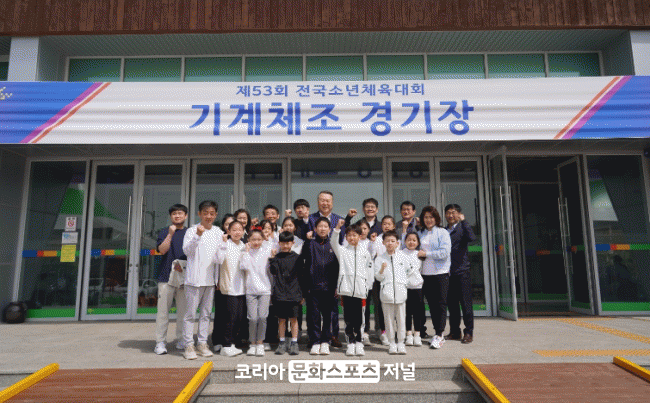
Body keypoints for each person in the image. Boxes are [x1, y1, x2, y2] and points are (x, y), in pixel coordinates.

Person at [181, 200, 223, 360]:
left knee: (206, 315)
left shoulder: (218, 232)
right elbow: (187, 251)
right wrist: (198, 236)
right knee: (190, 315)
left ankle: (202, 343)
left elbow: (219, 258)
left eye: (212, 213)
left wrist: (217, 280)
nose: (209, 216)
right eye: (205, 213)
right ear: (199, 214)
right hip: (194, 280)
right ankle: (188, 345)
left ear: (216, 215)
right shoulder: (192, 231)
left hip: (210, 281)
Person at [307, 191, 345, 348]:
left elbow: (342, 243)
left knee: (331, 311)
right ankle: (314, 338)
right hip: (314, 279)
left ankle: (332, 336)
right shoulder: (311, 220)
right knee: (313, 312)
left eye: (328, 200)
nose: (325, 203)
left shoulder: (338, 221)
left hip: (331, 277)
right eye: (322, 200)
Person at [331, 220, 374, 356]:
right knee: (348, 318)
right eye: (349, 235)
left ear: (360, 236)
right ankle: (350, 343)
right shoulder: (343, 251)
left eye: (354, 235)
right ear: (346, 237)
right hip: (346, 290)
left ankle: (359, 342)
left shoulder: (365, 253)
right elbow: (333, 242)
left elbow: (370, 271)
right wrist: (337, 229)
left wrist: (368, 287)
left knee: (360, 319)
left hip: (361, 291)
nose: (352, 238)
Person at [154, 204, 189, 355]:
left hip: (185, 277)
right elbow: (162, 250)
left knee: (183, 312)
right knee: (163, 312)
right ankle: (160, 342)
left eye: (180, 213)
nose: (177, 216)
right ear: (170, 216)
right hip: (166, 277)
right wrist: (170, 234)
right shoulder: (164, 231)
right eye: (174, 213)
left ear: (185, 216)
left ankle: (181, 339)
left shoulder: (189, 233)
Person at [302, 217, 339, 355]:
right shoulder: (310, 244)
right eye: (320, 226)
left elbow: (338, 267)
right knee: (314, 316)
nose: (322, 229)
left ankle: (325, 341)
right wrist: (307, 240)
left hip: (329, 287)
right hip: (313, 286)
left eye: (325, 226)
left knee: (328, 315)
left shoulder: (333, 245)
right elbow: (304, 260)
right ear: (315, 229)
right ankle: (315, 341)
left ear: (329, 229)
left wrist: (337, 286)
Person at [417, 206, 452, 350]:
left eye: (431, 217)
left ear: (436, 218)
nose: (428, 220)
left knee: (440, 304)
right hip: (424, 274)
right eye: (425, 217)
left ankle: (439, 334)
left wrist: (427, 254)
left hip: (440, 273)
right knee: (431, 305)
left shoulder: (443, 232)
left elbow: (445, 252)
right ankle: (435, 331)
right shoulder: (420, 233)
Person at [374, 231, 413, 355]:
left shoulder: (403, 257)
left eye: (392, 241)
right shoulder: (379, 258)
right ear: (383, 243)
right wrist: (382, 269)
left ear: (397, 243)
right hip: (387, 295)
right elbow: (378, 277)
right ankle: (392, 343)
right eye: (387, 241)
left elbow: (410, 271)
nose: (390, 243)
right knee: (389, 321)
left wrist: (404, 283)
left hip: (401, 294)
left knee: (401, 320)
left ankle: (401, 343)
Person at [444, 204, 477, 344]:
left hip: (462, 272)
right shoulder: (444, 230)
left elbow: (472, 238)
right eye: (448, 213)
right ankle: (455, 331)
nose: (451, 215)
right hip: (448, 273)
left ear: (459, 214)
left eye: (453, 212)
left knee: (465, 304)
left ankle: (468, 332)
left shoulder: (463, 228)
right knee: (452, 305)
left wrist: (464, 221)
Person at [271, 231, 305, 356]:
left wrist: (302, 295)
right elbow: (273, 271)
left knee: (294, 319)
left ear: (292, 243)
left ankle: (294, 343)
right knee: (281, 320)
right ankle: (282, 342)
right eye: (283, 243)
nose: (285, 245)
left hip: (294, 294)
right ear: (279, 243)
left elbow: (302, 277)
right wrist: (272, 258)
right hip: (280, 294)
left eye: (288, 243)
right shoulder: (277, 257)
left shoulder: (297, 258)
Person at [216, 220, 247, 357]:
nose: (237, 232)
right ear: (228, 231)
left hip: (242, 288)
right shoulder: (225, 244)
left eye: (239, 229)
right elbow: (218, 260)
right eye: (234, 230)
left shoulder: (244, 246)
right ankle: (226, 345)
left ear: (243, 231)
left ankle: (232, 343)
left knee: (239, 318)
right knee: (230, 318)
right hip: (229, 287)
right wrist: (223, 245)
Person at [367, 215, 399, 345]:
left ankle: (395, 330)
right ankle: (382, 330)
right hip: (379, 276)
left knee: (395, 304)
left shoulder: (397, 239)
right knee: (380, 304)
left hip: (394, 277)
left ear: (394, 226)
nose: (386, 226)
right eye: (384, 224)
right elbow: (371, 255)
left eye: (389, 224)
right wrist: (372, 242)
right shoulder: (377, 239)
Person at [240, 228, 274, 357]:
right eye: (253, 239)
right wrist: (246, 252)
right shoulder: (245, 252)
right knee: (253, 318)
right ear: (248, 239)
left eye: (259, 239)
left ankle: (260, 343)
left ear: (263, 240)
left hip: (265, 290)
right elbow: (243, 266)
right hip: (251, 290)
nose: (256, 242)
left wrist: (267, 237)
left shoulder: (266, 251)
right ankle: (252, 344)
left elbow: (273, 244)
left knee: (262, 317)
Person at [211, 213, 234, 353]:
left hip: (234, 284)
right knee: (220, 313)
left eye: (232, 224)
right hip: (221, 283)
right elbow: (216, 262)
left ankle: (229, 340)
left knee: (231, 314)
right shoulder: (219, 240)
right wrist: (217, 280)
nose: (229, 227)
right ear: (224, 226)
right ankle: (217, 340)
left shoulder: (240, 241)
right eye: (227, 224)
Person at [402, 232, 425, 347]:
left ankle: (417, 334)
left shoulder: (420, 254)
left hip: (417, 287)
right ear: (405, 241)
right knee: (406, 312)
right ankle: (408, 334)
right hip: (405, 287)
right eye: (409, 240)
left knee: (417, 312)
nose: (411, 242)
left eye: (414, 240)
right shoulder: (401, 253)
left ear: (418, 242)